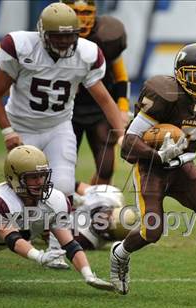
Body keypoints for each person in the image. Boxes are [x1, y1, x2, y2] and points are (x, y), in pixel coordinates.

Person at [0, 2, 124, 269]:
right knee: (24, 192)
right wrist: (7, 132)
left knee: (61, 186)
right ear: (42, 34)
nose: (64, 42)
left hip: (58, 126)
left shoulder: (86, 54)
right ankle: (15, 234)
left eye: (69, 36)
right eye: (57, 36)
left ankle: (57, 250)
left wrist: (121, 134)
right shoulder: (21, 47)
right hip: (22, 126)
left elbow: (106, 100)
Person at [109, 43, 196, 295]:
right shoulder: (164, 94)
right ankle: (120, 254)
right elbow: (128, 142)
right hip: (152, 167)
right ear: (181, 75)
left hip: (183, 166)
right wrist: (156, 154)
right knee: (152, 230)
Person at [0, 145, 114, 291]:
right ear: (14, 177)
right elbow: (12, 238)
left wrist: (88, 274)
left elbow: (70, 244)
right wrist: (39, 256)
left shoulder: (54, 201)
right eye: (33, 177)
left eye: (42, 175)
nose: (40, 181)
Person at [61, 0, 130, 186]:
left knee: (106, 168)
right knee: (63, 168)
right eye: (76, 12)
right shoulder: (54, 35)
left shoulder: (107, 35)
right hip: (66, 110)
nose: (82, 19)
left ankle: (95, 205)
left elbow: (121, 77)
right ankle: (72, 204)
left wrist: (122, 108)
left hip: (100, 109)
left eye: (86, 13)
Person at [47, 184, 139, 252]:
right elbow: (76, 184)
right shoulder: (111, 194)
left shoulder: (87, 239)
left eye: (107, 227)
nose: (102, 223)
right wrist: (67, 193)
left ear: (111, 237)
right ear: (113, 210)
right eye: (107, 219)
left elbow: (51, 232)